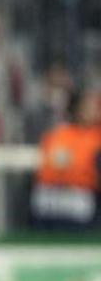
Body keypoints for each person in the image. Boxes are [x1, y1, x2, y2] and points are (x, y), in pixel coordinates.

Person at [32, 90, 101, 229]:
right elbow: (47, 167)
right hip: (52, 198)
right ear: (76, 109)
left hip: (86, 199)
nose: (94, 111)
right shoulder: (58, 134)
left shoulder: (97, 136)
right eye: (88, 107)